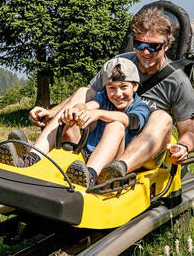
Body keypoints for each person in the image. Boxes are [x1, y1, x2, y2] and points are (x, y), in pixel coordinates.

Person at [7, 6, 194, 185]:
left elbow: (188, 133)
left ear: (166, 46)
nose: (145, 51)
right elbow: (88, 96)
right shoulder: (118, 64)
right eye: (140, 44)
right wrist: (53, 112)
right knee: (83, 92)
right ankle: (31, 157)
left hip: (144, 150)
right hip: (101, 142)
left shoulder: (178, 82)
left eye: (153, 46)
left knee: (161, 117)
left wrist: (183, 147)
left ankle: (116, 170)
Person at [58, 57, 151, 187]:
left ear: (135, 86)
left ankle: (90, 175)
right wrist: (78, 109)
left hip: (113, 163)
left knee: (116, 125)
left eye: (124, 87)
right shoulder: (103, 98)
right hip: (87, 155)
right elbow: (89, 106)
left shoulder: (141, 107)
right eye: (112, 88)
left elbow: (129, 120)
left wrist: (99, 113)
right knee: (76, 117)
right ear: (105, 88)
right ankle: (56, 158)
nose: (118, 94)